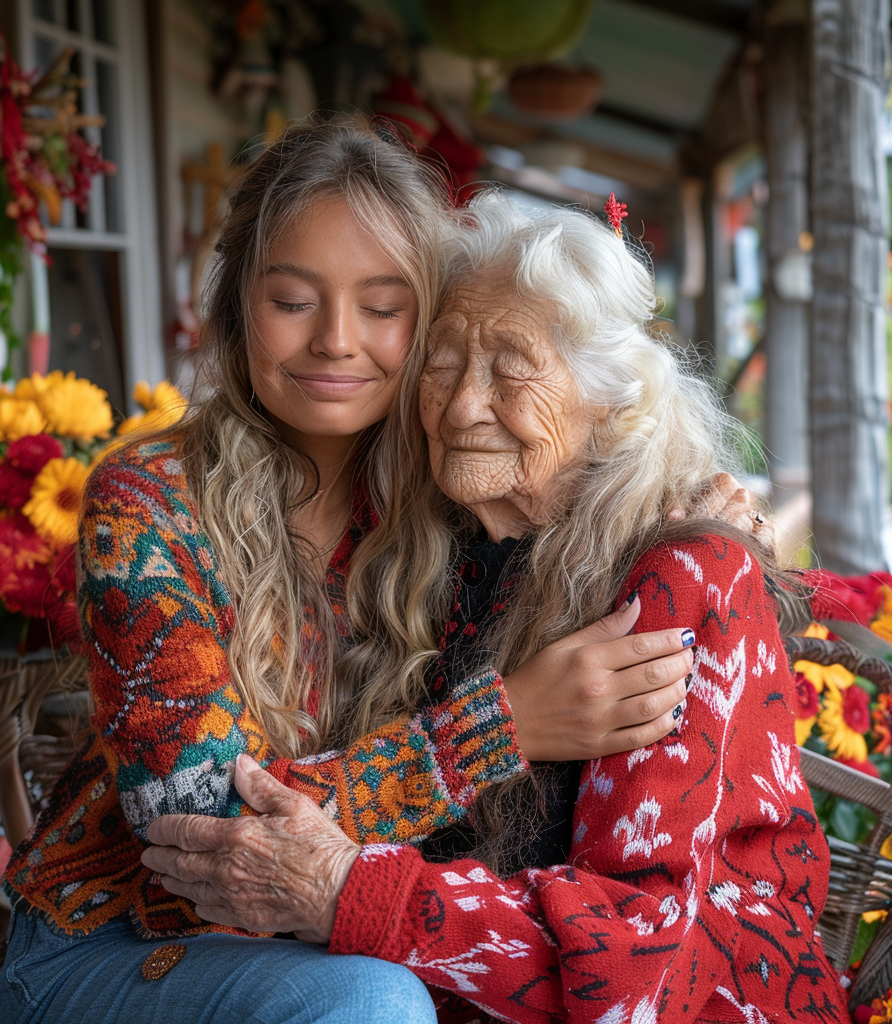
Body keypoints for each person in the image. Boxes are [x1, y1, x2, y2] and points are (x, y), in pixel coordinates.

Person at [0, 123, 704, 1024]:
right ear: (237, 307)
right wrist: (499, 725)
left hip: (330, 932)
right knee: (375, 1003)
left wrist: (702, 516)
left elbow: (597, 443)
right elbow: (201, 832)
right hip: (112, 942)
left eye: (382, 306)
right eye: (292, 300)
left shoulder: (448, 497)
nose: (336, 340)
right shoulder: (149, 503)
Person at [143, 197, 848, 1024]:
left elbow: (632, 967)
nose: (463, 406)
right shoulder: (422, 553)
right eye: (441, 364)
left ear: (613, 403)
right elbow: (252, 803)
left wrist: (348, 893)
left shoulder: (677, 577)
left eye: (512, 368)